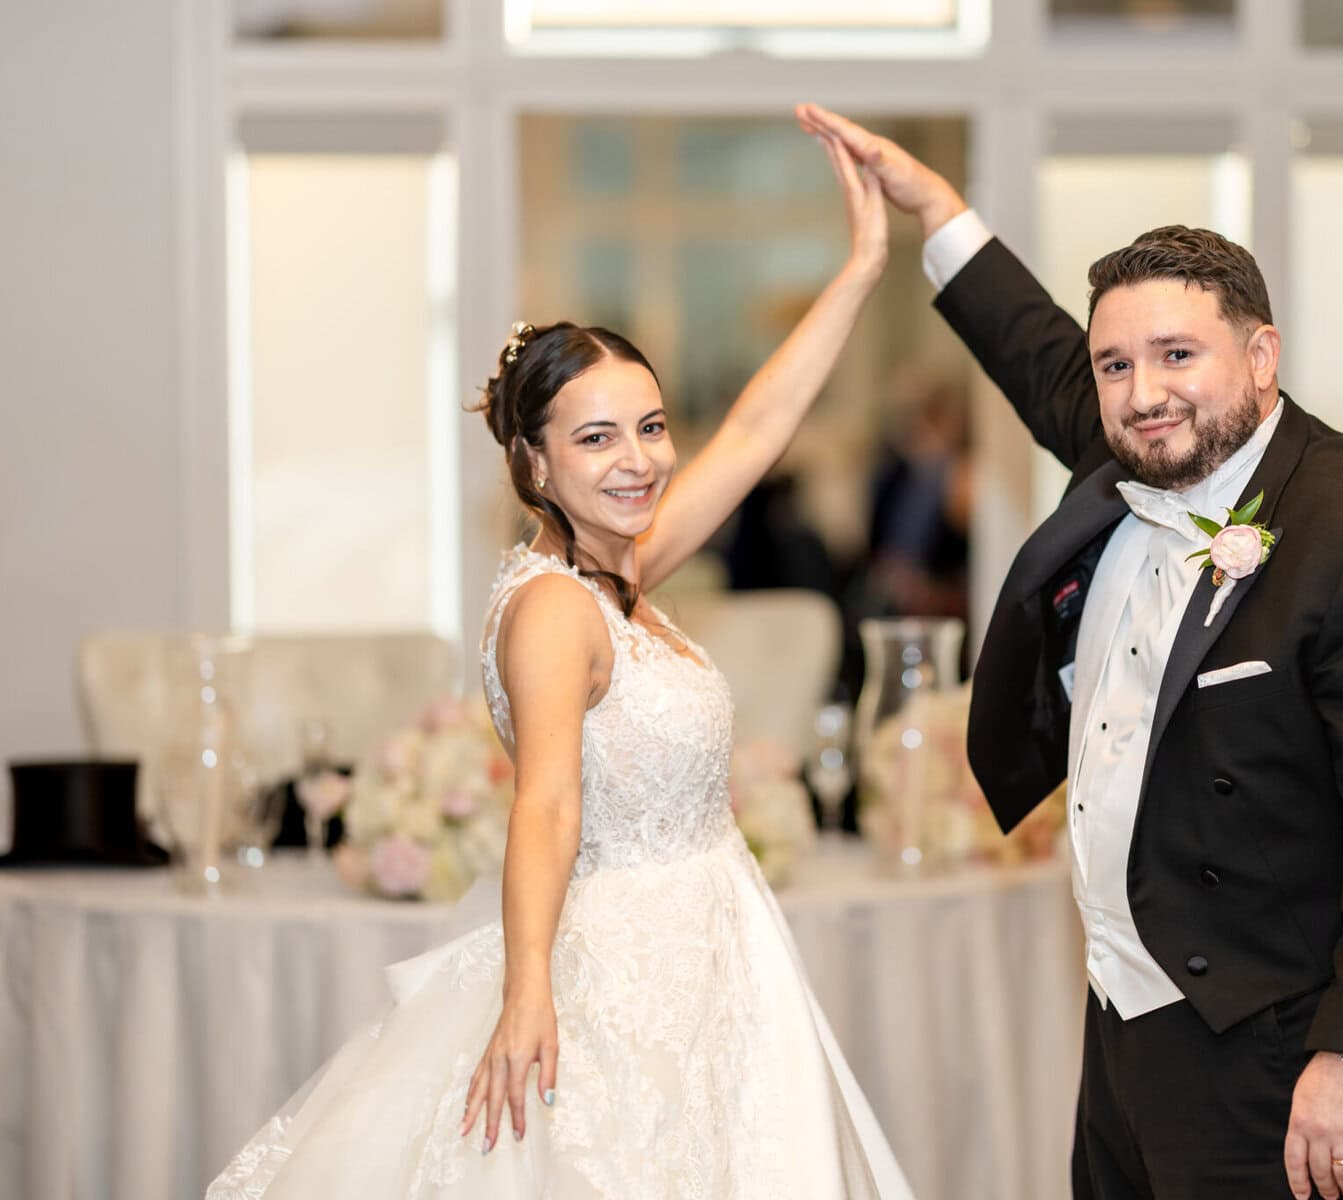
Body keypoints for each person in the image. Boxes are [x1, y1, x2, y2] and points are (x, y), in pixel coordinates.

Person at [207, 128, 913, 1199]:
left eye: (652, 427)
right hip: (630, 973)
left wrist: (862, 266)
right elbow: (544, 806)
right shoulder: (552, 610)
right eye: (596, 440)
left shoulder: (613, 572)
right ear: (532, 460)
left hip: (709, 950)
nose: (639, 461)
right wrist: (529, 988)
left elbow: (763, 423)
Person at [798, 105, 1343, 1200]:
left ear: (1261, 358)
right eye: (1115, 364)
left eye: (1177, 355)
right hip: (1123, 1020)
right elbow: (1031, 346)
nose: (1142, 390)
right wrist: (936, 210)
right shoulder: (1138, 451)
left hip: (1273, 1047)